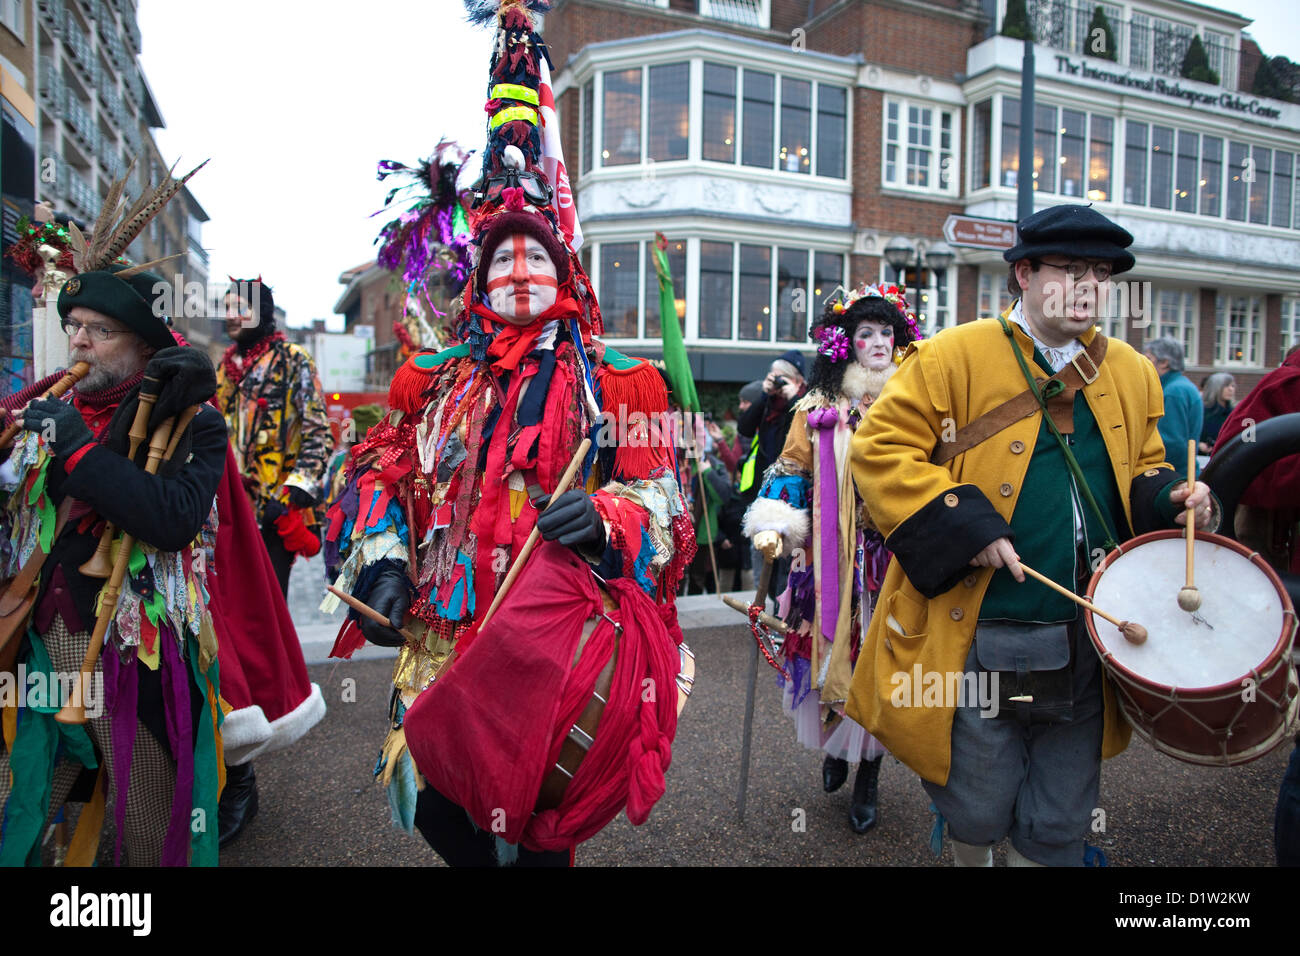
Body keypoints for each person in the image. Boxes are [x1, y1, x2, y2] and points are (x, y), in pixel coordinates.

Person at [323, 0, 692, 867]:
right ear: (481, 278)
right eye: (503, 259)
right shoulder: (436, 376)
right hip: (447, 636)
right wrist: (379, 562)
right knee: (438, 806)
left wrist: (609, 518)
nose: (520, 271)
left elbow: (666, 501)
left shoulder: (621, 379)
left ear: (561, 270)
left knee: (534, 822)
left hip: (551, 637)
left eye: (536, 258)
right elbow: (383, 469)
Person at [847, 204, 1218, 866]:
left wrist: (1177, 499)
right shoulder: (948, 356)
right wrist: (969, 525)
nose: (1088, 287)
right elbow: (879, 453)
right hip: (979, 629)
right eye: (1070, 269)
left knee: (1059, 819)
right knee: (977, 807)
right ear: (1023, 273)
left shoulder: (1131, 369)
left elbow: (1146, 468)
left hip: (1091, 632)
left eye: (1101, 273)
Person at [0, 261, 227, 866]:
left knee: (148, 808)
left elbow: (173, 520)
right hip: (36, 633)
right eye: (75, 325)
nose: (78, 340)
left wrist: (75, 446)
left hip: (128, 641)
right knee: (22, 791)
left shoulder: (195, 423)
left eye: (99, 330)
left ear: (144, 345)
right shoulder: (47, 407)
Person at [746, 282, 919, 833]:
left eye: (885, 332)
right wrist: (776, 521)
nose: (876, 341)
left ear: (900, 339)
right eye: (864, 332)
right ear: (845, 343)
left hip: (895, 559)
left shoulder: (915, 403)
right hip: (830, 558)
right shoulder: (818, 407)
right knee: (831, 648)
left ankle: (869, 770)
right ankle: (837, 745)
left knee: (883, 660)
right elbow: (790, 468)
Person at [215, 279, 333, 597]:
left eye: (240, 308)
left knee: (266, 603)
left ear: (261, 313)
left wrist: (295, 491)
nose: (231, 316)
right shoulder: (223, 370)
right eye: (226, 308)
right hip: (229, 508)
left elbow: (319, 431)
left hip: (275, 511)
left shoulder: (293, 360)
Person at [738, 354, 807, 603]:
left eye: (783, 379)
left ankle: (783, 610)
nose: (778, 383)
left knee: (786, 560)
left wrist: (795, 399)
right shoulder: (768, 403)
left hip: (792, 494)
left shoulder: (804, 402)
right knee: (762, 551)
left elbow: (799, 436)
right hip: (764, 491)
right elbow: (744, 427)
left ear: (798, 380)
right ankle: (762, 605)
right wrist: (765, 395)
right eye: (774, 377)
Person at [1143, 336, 1202, 477]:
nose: (1143, 365)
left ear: (1164, 363)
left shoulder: (1173, 392)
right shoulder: (1181, 387)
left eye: (1148, 359)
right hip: (1183, 473)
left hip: (1174, 476)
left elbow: (1170, 443)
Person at [1198, 372, 1236, 454]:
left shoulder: (1234, 413)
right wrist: (1198, 444)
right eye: (1226, 386)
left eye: (1232, 386)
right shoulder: (1201, 411)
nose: (1231, 389)